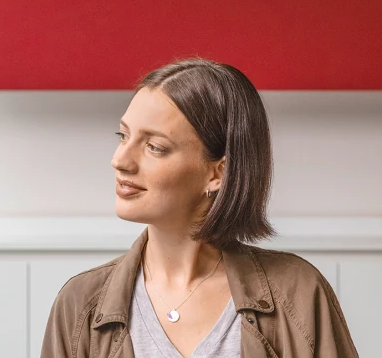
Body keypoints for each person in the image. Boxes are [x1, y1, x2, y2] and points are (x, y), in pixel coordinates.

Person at [41, 59, 358, 357]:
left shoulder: (298, 294)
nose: (120, 160)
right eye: (123, 136)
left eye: (155, 147)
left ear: (218, 172)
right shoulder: (79, 303)